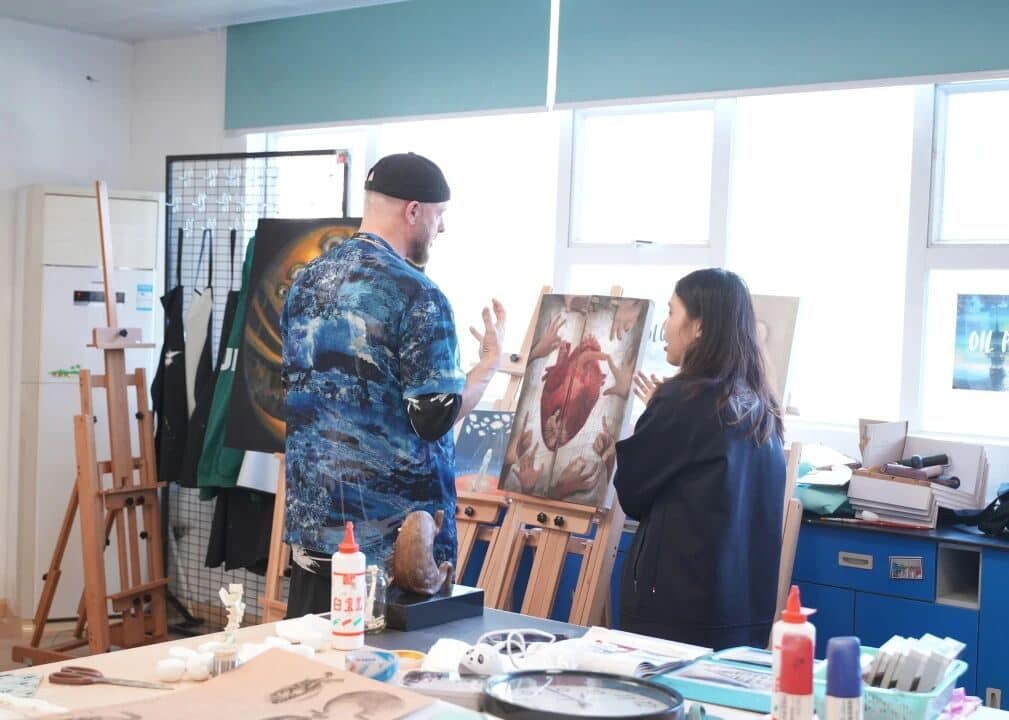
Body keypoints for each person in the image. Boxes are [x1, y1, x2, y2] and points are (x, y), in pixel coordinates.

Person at [280, 152, 505, 616]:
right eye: (439, 215)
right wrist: (488, 365)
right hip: (393, 552)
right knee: (389, 666)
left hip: (315, 535)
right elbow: (434, 417)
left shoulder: (306, 283)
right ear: (414, 210)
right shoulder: (419, 294)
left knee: (314, 659)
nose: (441, 228)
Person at [612, 268, 785, 650]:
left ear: (699, 326)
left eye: (671, 312)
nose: (665, 325)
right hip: (743, 613)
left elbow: (632, 492)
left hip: (677, 614)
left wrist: (658, 410)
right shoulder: (761, 404)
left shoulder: (683, 400)